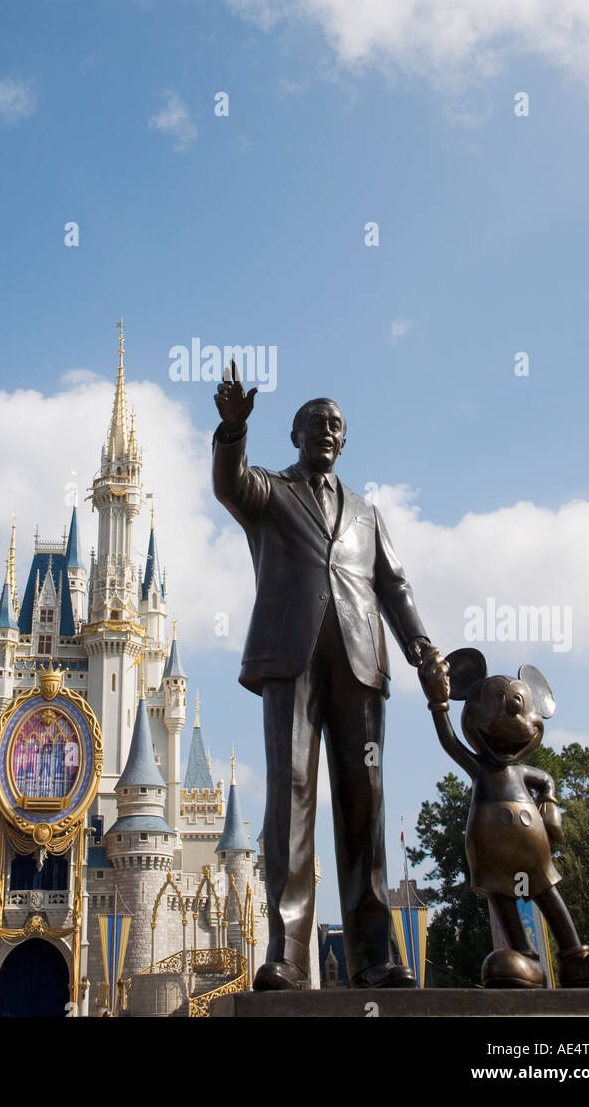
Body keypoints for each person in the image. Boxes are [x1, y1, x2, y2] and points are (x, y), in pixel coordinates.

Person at [213, 362, 437, 990]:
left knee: (365, 803)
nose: (327, 431)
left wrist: (419, 642)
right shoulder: (269, 491)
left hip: (361, 663)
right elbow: (228, 486)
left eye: (336, 424)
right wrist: (231, 432)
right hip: (291, 659)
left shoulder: (366, 513)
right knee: (291, 798)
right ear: (294, 435)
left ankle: (373, 957)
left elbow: (392, 583)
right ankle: (287, 954)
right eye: (315, 423)